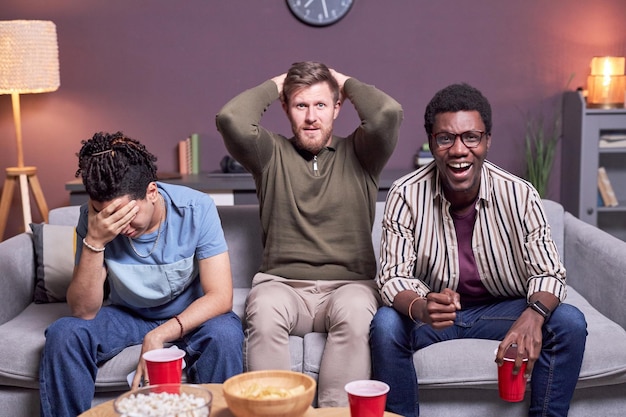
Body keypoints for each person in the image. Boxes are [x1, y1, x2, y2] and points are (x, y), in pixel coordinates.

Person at [370, 83, 587, 417]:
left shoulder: (519, 194)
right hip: (435, 316)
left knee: (569, 321)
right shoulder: (405, 194)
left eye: (471, 136)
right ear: (432, 142)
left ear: (487, 141)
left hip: (502, 311)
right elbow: (392, 277)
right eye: (446, 138)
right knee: (385, 324)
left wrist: (534, 315)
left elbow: (549, 272)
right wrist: (421, 306)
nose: (459, 150)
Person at [216, 61, 403, 407]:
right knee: (264, 306)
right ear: (285, 108)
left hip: (349, 286)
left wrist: (343, 81)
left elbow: (388, 113)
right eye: (301, 105)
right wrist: (278, 83)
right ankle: (273, 412)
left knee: (357, 309)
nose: (311, 117)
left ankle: (334, 414)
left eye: (320, 105)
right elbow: (231, 119)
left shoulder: (363, 153)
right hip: (282, 285)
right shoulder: (269, 154)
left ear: (337, 107)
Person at [39, 132, 244, 417]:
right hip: (128, 314)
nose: (117, 226)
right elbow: (83, 311)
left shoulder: (197, 208)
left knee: (225, 333)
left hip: (188, 314)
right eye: (104, 214)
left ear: (151, 192)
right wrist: (95, 242)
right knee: (64, 333)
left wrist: (159, 335)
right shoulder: (94, 220)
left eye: (125, 214)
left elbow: (221, 296)